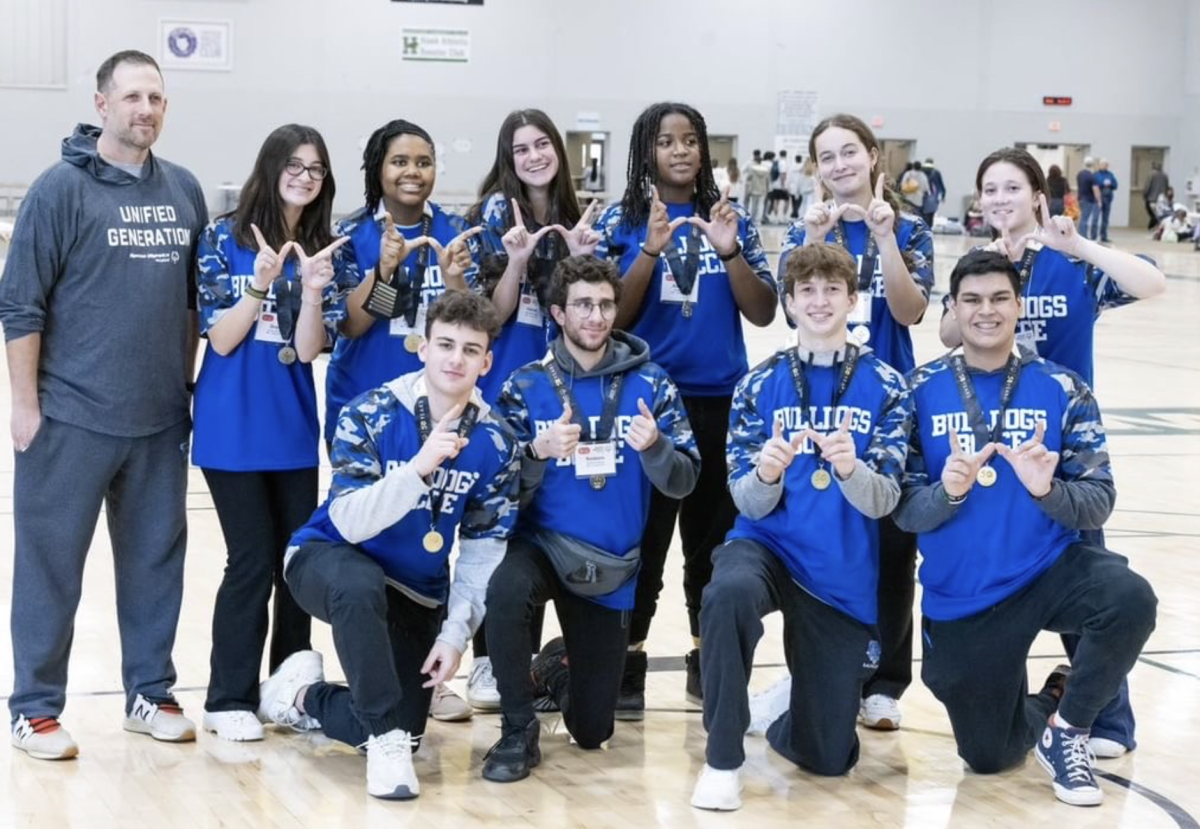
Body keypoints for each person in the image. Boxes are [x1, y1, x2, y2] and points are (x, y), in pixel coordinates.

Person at [0, 49, 208, 759]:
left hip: (156, 423)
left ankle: (149, 691)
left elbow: (188, 305)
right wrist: (23, 407)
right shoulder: (59, 190)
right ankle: (33, 706)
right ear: (101, 105)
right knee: (50, 566)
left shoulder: (183, 190)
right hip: (70, 417)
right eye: (131, 97)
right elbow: (20, 306)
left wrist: (182, 389)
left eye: (156, 97)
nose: (144, 109)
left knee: (157, 564)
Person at [895, 249, 1157, 807]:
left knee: (1130, 598)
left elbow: (1099, 502)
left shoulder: (1062, 389)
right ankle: (1051, 699)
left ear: (1019, 306)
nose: (985, 312)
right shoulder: (917, 392)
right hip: (964, 595)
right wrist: (949, 490)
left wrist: (1047, 489)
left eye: (998, 299)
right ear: (953, 309)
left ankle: (1070, 731)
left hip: (1048, 571)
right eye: (972, 300)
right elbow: (903, 512)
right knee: (989, 756)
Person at [938, 147, 1165, 759]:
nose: (1000, 198)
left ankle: (1106, 721)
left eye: (1013, 187)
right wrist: (985, 279)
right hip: (989, 446)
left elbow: (1154, 282)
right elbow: (947, 336)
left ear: (1038, 195)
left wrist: (1079, 247)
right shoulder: (979, 267)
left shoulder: (1071, 263)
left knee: (1087, 573)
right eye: (990, 189)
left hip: (1060, 446)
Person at [256, 291, 520, 800]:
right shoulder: (370, 413)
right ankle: (384, 741)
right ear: (422, 347)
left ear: (486, 362)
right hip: (327, 559)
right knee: (360, 585)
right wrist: (420, 468)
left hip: (415, 589)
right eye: (445, 344)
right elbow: (350, 522)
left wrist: (454, 635)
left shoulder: (497, 443)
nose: (455, 359)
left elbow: (484, 550)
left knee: (412, 729)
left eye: (470, 350)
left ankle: (303, 697)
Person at [690, 244, 910, 811]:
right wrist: (766, 472)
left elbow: (884, 501)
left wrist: (849, 468)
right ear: (788, 302)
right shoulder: (759, 384)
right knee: (727, 594)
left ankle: (789, 711)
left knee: (831, 758)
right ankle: (722, 760)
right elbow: (746, 500)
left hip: (837, 571)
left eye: (831, 289)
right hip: (766, 546)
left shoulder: (886, 385)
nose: (818, 300)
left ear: (852, 299)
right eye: (806, 290)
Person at [481, 255, 700, 783]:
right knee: (504, 589)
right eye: (583, 305)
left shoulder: (653, 383)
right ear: (558, 312)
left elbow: (684, 480)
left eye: (605, 304)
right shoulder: (526, 385)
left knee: (593, 732)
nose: (596, 316)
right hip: (541, 544)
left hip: (610, 564)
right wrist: (536, 451)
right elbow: (495, 486)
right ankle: (517, 729)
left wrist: (656, 450)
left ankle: (558, 665)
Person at [594, 101, 776, 717]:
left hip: (721, 404)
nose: (679, 150)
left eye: (690, 140)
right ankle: (628, 664)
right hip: (646, 406)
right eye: (666, 141)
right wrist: (646, 250)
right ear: (646, 151)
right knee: (642, 543)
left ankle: (708, 662)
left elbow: (763, 311)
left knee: (712, 543)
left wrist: (730, 252)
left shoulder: (733, 219)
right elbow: (614, 318)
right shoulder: (624, 221)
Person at [192, 124, 356, 741]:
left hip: (290, 427)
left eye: (316, 168)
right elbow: (223, 337)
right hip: (231, 424)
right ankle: (227, 696)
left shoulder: (324, 248)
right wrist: (260, 282)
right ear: (270, 165)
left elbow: (311, 347)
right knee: (252, 558)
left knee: (295, 562)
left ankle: (287, 689)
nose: (305, 176)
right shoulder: (221, 237)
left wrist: (312, 291)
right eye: (294, 164)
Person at [774, 113, 933, 733]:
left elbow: (911, 311)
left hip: (888, 406)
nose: (839, 165)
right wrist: (810, 241)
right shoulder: (805, 230)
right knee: (824, 540)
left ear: (872, 157)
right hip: (820, 406)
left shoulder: (908, 227)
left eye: (849, 152)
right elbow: (792, 321)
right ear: (816, 168)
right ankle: (819, 663)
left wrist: (885, 239)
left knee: (893, 546)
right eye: (826, 157)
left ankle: (887, 681)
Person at [323, 119, 482, 721]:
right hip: (368, 409)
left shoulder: (457, 233)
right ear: (377, 169)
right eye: (399, 162)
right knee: (371, 532)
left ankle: (431, 673)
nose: (412, 172)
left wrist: (457, 279)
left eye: (423, 160)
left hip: (439, 408)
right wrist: (384, 272)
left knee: (432, 535)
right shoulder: (351, 236)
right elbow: (353, 325)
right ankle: (370, 666)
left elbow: (468, 316)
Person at [466, 108, 599, 710]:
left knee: (550, 523)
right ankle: (488, 663)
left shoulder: (582, 216)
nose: (534, 156)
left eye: (542, 143)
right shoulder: (495, 215)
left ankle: (540, 660)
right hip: (506, 388)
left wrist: (578, 255)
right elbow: (488, 318)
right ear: (508, 159)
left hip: (565, 387)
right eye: (520, 149)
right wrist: (518, 261)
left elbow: (595, 302)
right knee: (498, 524)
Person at [1076, 157, 1101, 240]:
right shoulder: (1091, 176)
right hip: (1089, 200)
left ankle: (1080, 235)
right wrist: (1099, 200)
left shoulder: (1080, 174)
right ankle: (1083, 236)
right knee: (1085, 219)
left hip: (1080, 198)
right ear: (1092, 165)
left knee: (1082, 218)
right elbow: (1095, 189)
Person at [1093, 159, 1118, 243]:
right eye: (1103, 164)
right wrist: (1103, 183)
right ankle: (1093, 236)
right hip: (1098, 199)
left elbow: (1115, 185)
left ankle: (1104, 236)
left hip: (1108, 198)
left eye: (1106, 165)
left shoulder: (1110, 174)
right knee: (1096, 217)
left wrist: (1110, 184)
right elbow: (1094, 185)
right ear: (1100, 165)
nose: (1105, 166)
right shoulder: (1096, 174)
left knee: (1105, 219)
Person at [1144, 161, 1169, 229]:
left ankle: (1152, 224)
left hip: (1151, 198)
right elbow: (1167, 187)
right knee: (1159, 213)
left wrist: (1145, 194)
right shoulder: (1165, 175)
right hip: (1162, 198)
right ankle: (1156, 225)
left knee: (1151, 212)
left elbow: (1147, 186)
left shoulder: (1151, 174)